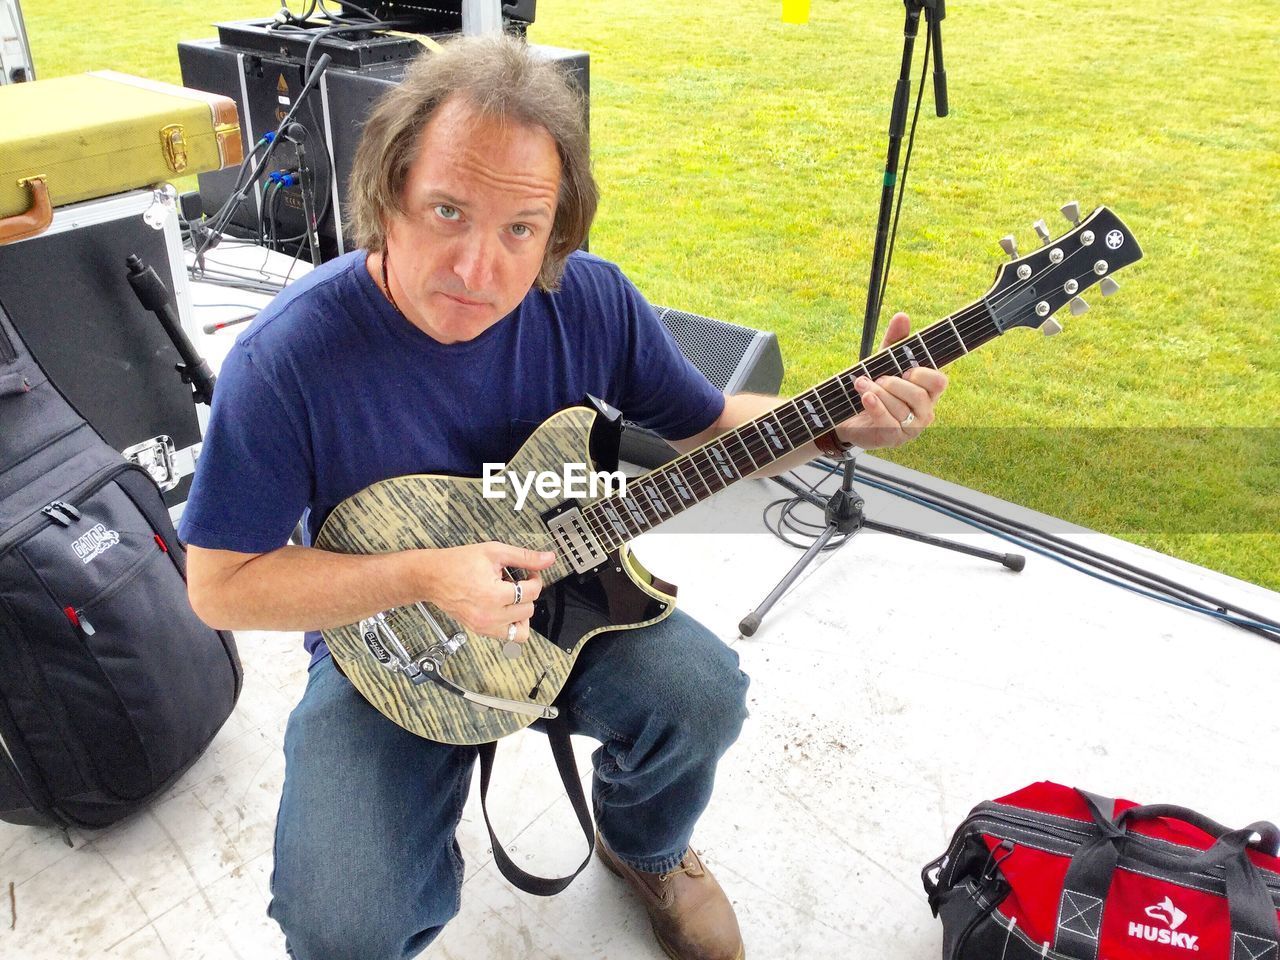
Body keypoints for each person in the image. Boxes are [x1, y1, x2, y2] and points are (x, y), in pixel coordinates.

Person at [179, 33, 947, 960]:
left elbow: (709, 425)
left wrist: (839, 423)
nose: (479, 269)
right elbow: (219, 585)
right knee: (342, 925)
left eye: (520, 229)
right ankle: (414, 846)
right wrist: (424, 576)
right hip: (391, 642)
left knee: (703, 694)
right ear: (387, 196)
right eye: (448, 210)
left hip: (569, 602)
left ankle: (647, 846)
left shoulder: (589, 302)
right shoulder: (288, 359)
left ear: (557, 230)